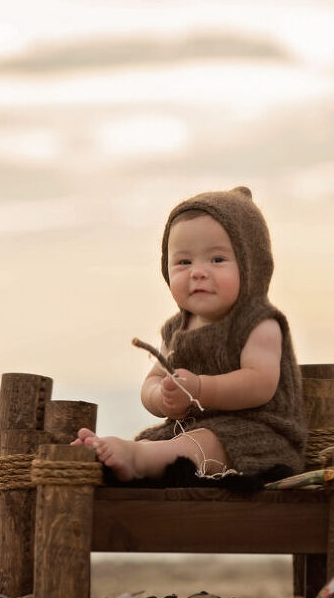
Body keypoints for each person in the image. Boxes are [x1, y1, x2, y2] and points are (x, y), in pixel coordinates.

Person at [72, 186, 307, 482]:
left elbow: (260, 383)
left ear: (253, 266)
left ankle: (138, 459)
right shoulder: (178, 328)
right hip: (189, 431)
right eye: (184, 262)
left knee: (202, 443)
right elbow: (152, 382)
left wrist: (199, 389)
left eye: (217, 260)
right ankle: (133, 455)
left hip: (257, 433)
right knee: (159, 441)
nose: (197, 272)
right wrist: (162, 397)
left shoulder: (258, 323)